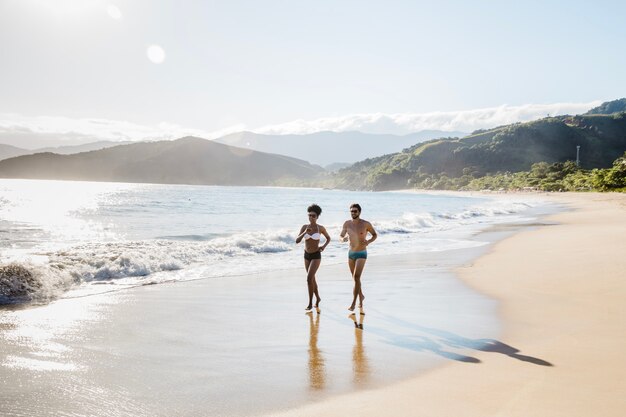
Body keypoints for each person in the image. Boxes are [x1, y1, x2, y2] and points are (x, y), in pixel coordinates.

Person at [340, 203, 377, 313]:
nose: (353, 213)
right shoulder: (347, 224)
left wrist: (368, 242)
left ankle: (353, 303)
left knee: (356, 277)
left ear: (359, 212)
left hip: (361, 253)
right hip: (351, 253)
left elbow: (375, 235)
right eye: (351, 211)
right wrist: (343, 239)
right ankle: (361, 297)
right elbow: (341, 236)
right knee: (355, 279)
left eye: (355, 211)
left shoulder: (366, 224)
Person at [296, 204, 331, 313]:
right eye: (309, 215)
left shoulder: (320, 228)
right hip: (306, 255)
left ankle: (310, 303)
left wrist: (323, 247)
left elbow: (329, 238)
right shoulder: (304, 227)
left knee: (309, 278)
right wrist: (304, 232)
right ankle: (318, 298)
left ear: (317, 217)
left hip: (316, 255)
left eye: (313, 216)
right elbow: (297, 241)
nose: (311, 217)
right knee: (312, 279)